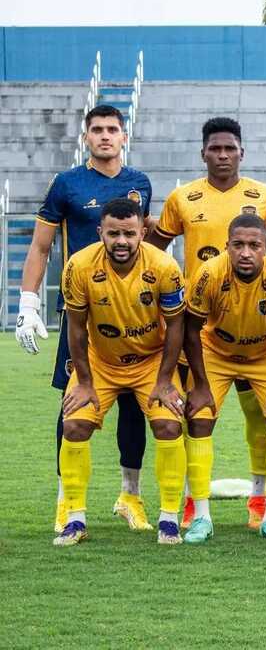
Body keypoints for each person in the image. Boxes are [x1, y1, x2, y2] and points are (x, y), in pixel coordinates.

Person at [16, 104, 155, 534]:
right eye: (97, 130)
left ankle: (129, 495)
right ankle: (66, 501)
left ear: (124, 136)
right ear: (87, 137)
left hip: (133, 313)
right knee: (72, 403)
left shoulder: (140, 184)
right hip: (81, 312)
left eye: (113, 129)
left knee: (134, 402)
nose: (105, 136)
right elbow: (41, 248)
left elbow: (149, 242)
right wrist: (27, 303)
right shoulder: (67, 184)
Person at [148, 116, 266, 530]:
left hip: (259, 327)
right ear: (203, 152)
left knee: (261, 418)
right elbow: (154, 251)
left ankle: (261, 499)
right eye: (215, 149)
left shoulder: (265, 196)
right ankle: (192, 501)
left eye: (230, 148)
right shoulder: (183, 197)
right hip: (202, 328)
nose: (222, 155)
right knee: (197, 413)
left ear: (242, 152)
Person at [54, 198, 187, 546]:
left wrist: (164, 381)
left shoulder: (164, 266)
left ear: (143, 232)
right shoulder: (79, 266)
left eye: (129, 233)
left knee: (169, 424)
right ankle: (75, 519)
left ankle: (169, 520)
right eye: (113, 233)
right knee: (74, 424)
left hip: (151, 362)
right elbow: (77, 328)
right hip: (101, 362)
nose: (121, 241)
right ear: (101, 232)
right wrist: (83, 381)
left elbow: (176, 327)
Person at [181, 215, 266, 544]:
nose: (245, 252)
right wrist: (199, 383)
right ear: (227, 246)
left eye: (254, 245)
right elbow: (190, 330)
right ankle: (200, 517)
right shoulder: (209, 273)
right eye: (238, 245)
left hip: (265, 353)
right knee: (198, 419)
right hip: (216, 352)